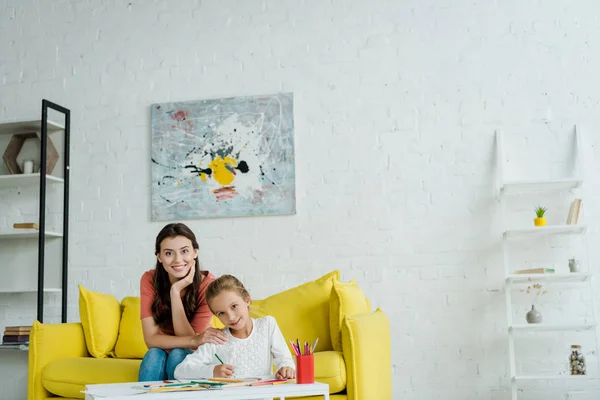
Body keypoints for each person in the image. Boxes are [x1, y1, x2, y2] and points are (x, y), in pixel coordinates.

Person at [138, 223, 228, 381]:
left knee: (178, 354)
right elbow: (151, 340)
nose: (177, 260)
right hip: (161, 350)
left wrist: (175, 293)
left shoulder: (208, 286)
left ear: (195, 252)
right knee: (153, 354)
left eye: (184, 251)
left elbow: (190, 345)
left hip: (195, 354)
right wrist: (175, 289)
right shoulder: (149, 279)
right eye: (168, 253)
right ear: (159, 257)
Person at [174, 275, 296, 380]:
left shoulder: (267, 325)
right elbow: (180, 371)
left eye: (233, 306)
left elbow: (284, 359)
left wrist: (285, 369)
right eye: (221, 313)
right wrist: (212, 371)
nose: (231, 317)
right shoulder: (217, 339)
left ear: (247, 300)